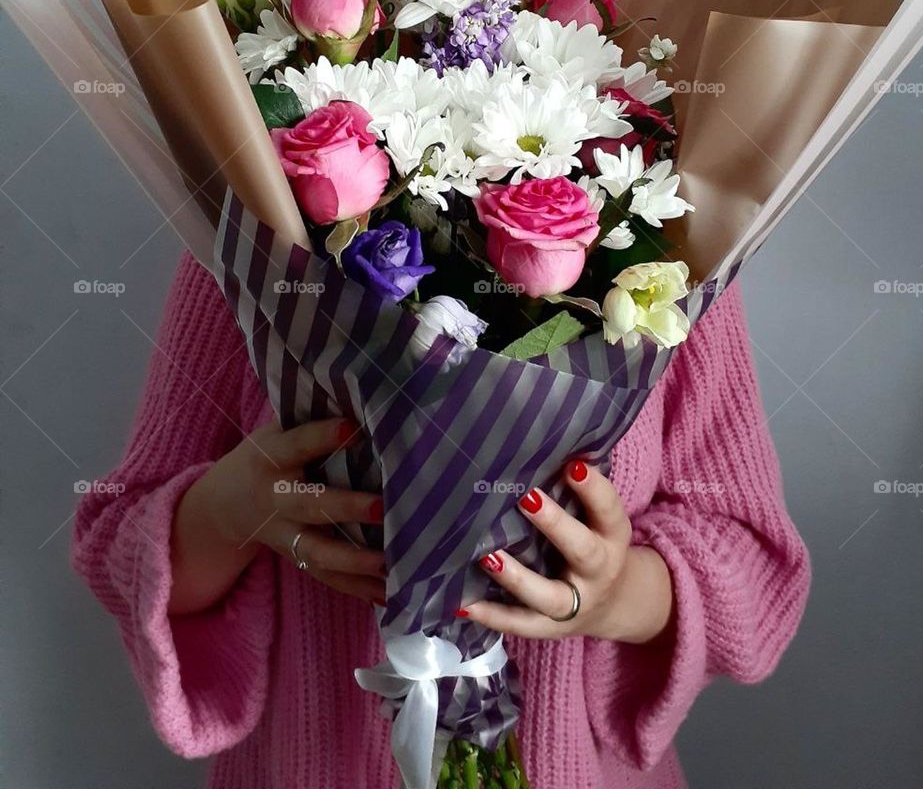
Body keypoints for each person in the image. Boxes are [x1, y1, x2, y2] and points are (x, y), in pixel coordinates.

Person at [73, 251, 810, 789]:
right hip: (304, 763)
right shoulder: (257, 231)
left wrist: (617, 594)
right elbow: (120, 545)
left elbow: (753, 564)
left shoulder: (669, 260)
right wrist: (231, 511)